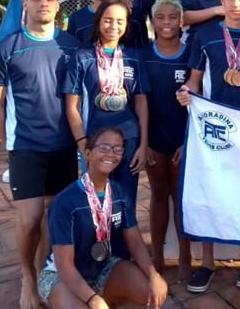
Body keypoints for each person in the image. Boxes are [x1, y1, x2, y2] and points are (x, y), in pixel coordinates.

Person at [0, 0, 80, 309]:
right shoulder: (7, 47)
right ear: (25, 4)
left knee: (54, 216)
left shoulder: (70, 45)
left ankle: (44, 274)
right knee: (29, 218)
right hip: (25, 147)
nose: (43, 4)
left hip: (63, 147)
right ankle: (27, 276)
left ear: (57, 4)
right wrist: (9, 142)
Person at [176, 0, 240, 292]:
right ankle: (207, 263)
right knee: (212, 191)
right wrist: (186, 92)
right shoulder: (206, 35)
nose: (236, 4)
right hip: (215, 128)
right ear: (222, 1)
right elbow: (195, 79)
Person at [37, 127, 168, 309]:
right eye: (104, 148)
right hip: (61, 276)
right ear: (88, 153)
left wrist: (154, 275)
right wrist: (93, 299)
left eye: (117, 149)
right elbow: (64, 265)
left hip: (102, 267)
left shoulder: (119, 192)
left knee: (152, 293)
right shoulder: (65, 201)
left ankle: (105, 296)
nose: (111, 154)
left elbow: (136, 242)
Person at [64, 0, 150, 206]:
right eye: (108, 20)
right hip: (95, 139)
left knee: (126, 199)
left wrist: (144, 144)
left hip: (129, 139)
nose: (113, 26)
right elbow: (71, 107)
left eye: (120, 21)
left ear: (126, 25)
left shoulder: (133, 57)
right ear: (98, 21)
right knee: (96, 200)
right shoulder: (82, 58)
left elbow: (141, 103)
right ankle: (101, 238)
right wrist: (83, 143)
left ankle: (123, 239)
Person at [140, 0, 192, 281]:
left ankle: (185, 255)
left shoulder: (191, 54)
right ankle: (157, 254)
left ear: (181, 21)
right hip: (154, 139)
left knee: (181, 198)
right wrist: (144, 142)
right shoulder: (143, 55)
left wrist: (189, 142)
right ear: (152, 22)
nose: (167, 22)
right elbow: (140, 102)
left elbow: (199, 101)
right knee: (159, 194)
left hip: (183, 140)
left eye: (173, 17)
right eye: (161, 17)